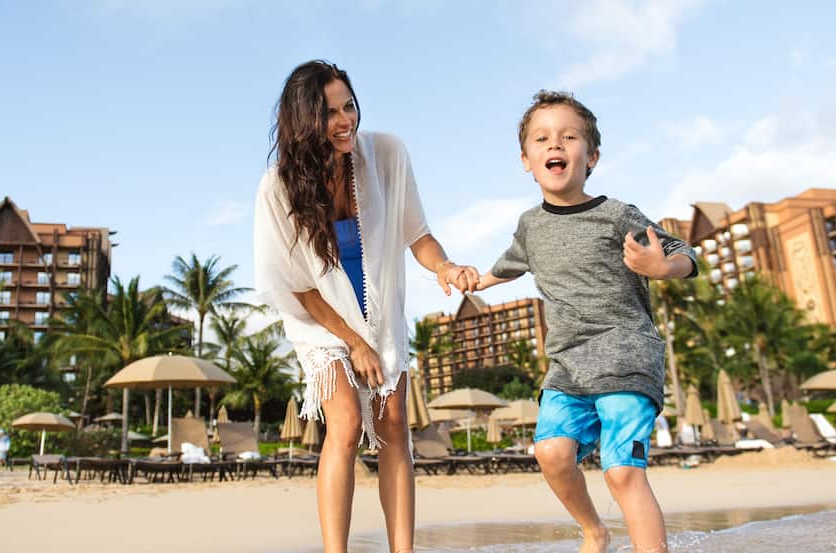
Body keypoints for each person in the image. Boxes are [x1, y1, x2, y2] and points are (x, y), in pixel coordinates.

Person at [253, 60, 478, 553]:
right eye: (329, 113)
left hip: (379, 309)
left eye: (348, 106)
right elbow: (296, 286)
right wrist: (352, 342)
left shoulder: (387, 153)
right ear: (303, 122)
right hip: (320, 318)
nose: (344, 121)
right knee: (349, 422)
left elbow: (417, 232)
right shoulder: (278, 186)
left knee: (394, 422)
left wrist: (443, 267)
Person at [475, 90, 696, 553]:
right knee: (551, 452)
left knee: (622, 471)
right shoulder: (530, 225)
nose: (555, 145)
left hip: (626, 356)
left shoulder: (617, 215)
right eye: (542, 138)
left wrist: (661, 267)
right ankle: (595, 529)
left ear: (591, 156)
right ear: (526, 160)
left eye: (569, 137)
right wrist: (472, 280)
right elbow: (507, 266)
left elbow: (685, 253)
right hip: (568, 365)